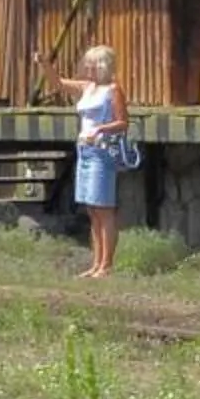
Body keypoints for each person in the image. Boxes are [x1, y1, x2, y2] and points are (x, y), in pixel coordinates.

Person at [54, 43, 131, 280]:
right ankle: (95, 263)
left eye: (92, 63)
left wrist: (100, 128)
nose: (87, 67)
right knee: (91, 209)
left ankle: (106, 265)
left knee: (103, 208)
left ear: (103, 65)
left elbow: (123, 122)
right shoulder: (87, 87)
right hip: (84, 150)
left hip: (101, 151)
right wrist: (46, 65)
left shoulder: (113, 90)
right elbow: (57, 84)